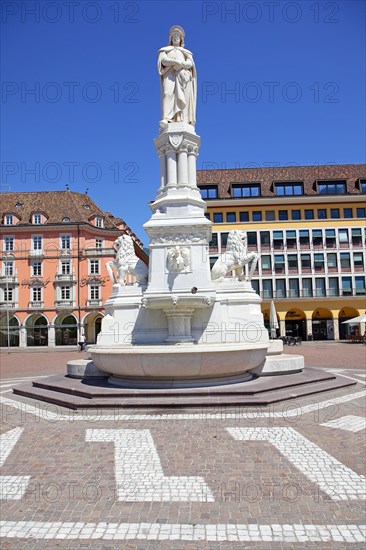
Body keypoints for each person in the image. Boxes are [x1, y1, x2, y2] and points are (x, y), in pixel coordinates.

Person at [158, 26, 197, 128]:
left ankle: (182, 118)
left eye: (178, 35)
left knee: (183, 97)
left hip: (182, 77)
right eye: (174, 35)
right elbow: (163, 61)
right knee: (167, 93)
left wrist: (182, 65)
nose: (176, 37)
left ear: (181, 38)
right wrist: (174, 62)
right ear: (170, 38)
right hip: (169, 75)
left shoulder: (186, 52)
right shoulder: (165, 50)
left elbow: (190, 63)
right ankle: (167, 118)